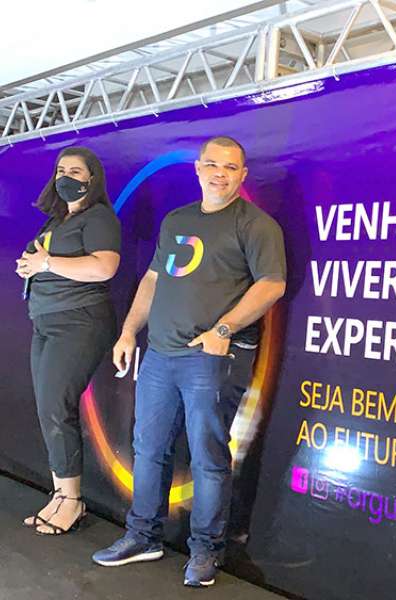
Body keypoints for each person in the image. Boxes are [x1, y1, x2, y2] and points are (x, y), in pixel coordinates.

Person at [91, 136, 286, 588]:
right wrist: (128, 331)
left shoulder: (256, 225)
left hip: (212, 359)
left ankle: (205, 551)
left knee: (208, 458)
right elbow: (152, 279)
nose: (220, 174)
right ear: (198, 169)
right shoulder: (177, 220)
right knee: (148, 449)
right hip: (160, 355)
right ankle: (143, 536)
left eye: (231, 167)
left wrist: (223, 331)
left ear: (242, 175)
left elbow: (271, 285)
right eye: (213, 165)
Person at [15, 146, 121, 535]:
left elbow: (104, 267)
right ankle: (60, 494)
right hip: (46, 321)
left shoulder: (99, 217)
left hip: (78, 322)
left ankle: (72, 501)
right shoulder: (58, 220)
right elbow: (46, 263)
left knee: (57, 408)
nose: (66, 177)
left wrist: (45, 263)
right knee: (49, 409)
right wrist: (30, 266)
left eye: (76, 171)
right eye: (61, 170)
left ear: (92, 178)